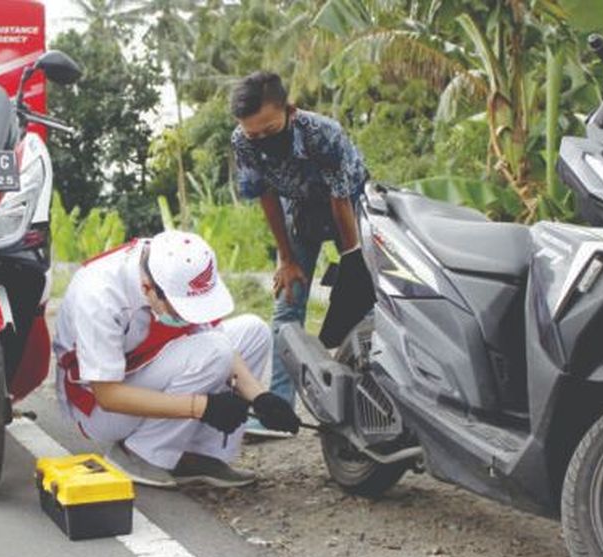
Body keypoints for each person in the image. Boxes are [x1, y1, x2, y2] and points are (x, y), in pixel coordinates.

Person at [53, 230, 302, 488]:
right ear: (148, 288)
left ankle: (199, 455)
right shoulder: (97, 294)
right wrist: (203, 407)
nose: (189, 317)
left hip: (143, 369)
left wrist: (261, 397)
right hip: (97, 407)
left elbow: (217, 338)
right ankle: (139, 455)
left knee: (254, 331)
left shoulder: (175, 267)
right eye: (182, 310)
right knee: (214, 352)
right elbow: (108, 395)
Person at [229, 71, 376, 437]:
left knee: (367, 304)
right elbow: (266, 196)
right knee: (287, 303)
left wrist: (353, 260)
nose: (262, 139)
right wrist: (287, 260)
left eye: (269, 129)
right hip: (300, 210)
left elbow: (340, 198)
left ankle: (369, 401)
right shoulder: (243, 141)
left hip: (353, 206)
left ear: (289, 112)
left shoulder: (322, 133)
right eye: (254, 133)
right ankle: (277, 413)